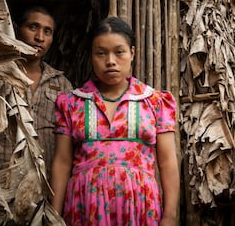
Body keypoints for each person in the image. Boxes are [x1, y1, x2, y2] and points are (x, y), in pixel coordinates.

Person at [50, 16, 180, 225]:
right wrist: (54, 217)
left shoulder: (155, 101)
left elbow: (167, 162)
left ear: (132, 54)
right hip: (85, 206)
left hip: (140, 207)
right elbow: (62, 162)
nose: (110, 61)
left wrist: (169, 216)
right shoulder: (71, 103)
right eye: (101, 53)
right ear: (91, 56)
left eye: (119, 52)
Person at [14, 5, 73, 179]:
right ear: (17, 30)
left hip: (45, 181)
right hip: (2, 178)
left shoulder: (62, 84)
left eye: (47, 32)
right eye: (33, 27)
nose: (39, 37)